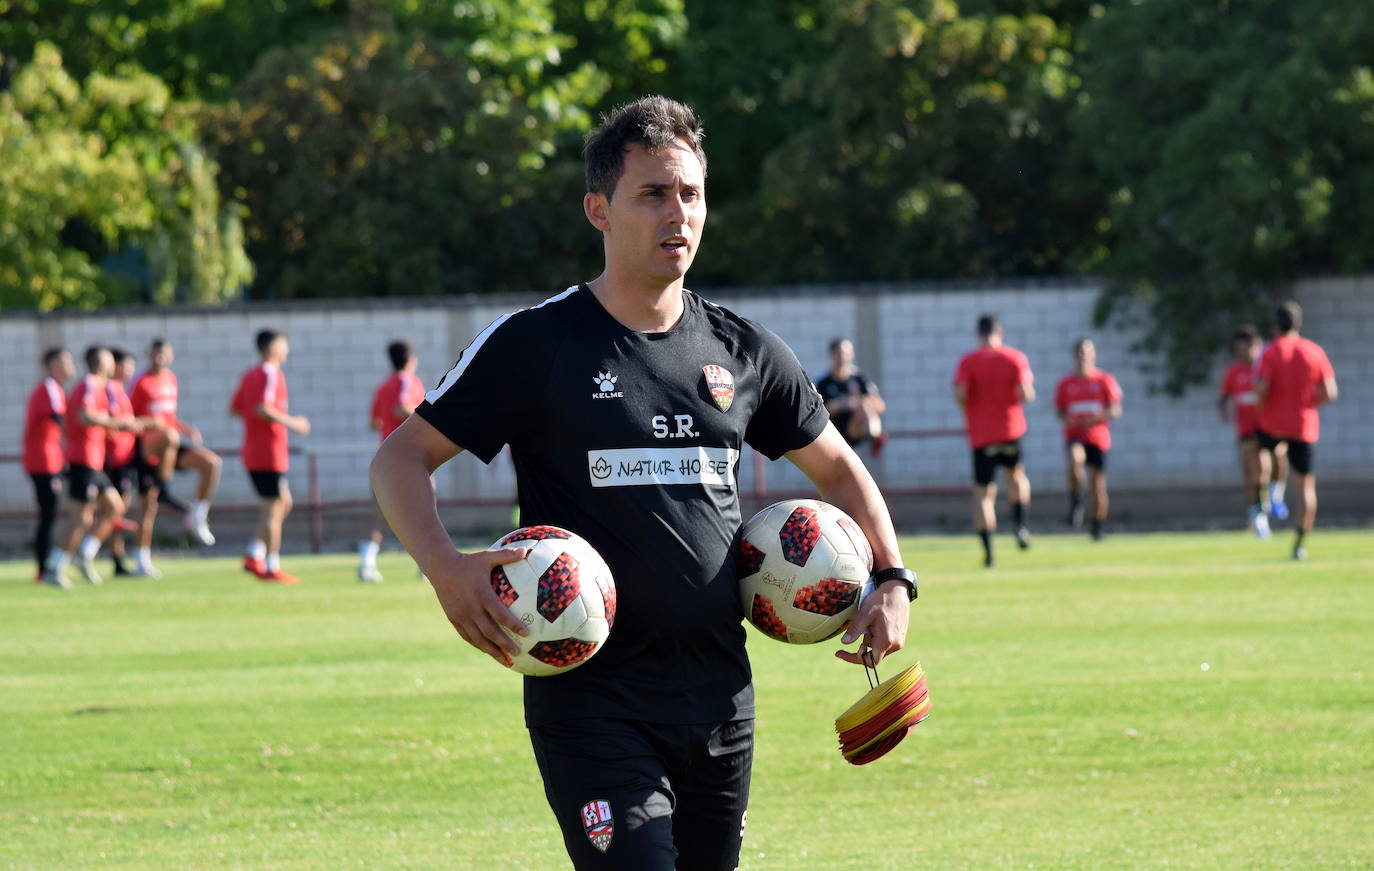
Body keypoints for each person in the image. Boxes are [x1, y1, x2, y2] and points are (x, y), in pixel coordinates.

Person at [370, 96, 915, 871]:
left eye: (690, 194)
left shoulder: (743, 349)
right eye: (653, 194)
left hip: (721, 696)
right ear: (599, 209)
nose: (678, 213)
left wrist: (892, 577)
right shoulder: (539, 343)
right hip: (593, 699)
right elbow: (399, 458)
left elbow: (839, 469)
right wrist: (446, 571)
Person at [43, 346, 144, 588]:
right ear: (102, 363)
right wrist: (116, 423)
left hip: (94, 462)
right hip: (83, 461)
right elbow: (83, 415)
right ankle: (55, 566)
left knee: (115, 507)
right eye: (109, 360)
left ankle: (85, 553)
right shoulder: (89, 384)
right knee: (80, 519)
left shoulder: (101, 388)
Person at [1254, 301, 1337, 561]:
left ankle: (1266, 498)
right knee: (1305, 488)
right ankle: (1300, 544)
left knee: (1257, 454)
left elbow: (1262, 389)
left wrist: (1260, 399)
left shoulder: (1270, 351)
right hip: (1304, 426)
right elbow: (1330, 392)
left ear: (1275, 326)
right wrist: (1307, 404)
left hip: (1272, 423)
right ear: (1298, 324)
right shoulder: (1314, 351)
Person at [952, 314, 1035, 567]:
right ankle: (1020, 526)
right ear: (1000, 332)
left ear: (979, 334)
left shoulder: (968, 361)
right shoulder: (1015, 358)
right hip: (1010, 430)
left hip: (982, 435)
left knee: (983, 494)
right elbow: (1026, 394)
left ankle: (988, 553)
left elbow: (961, 395)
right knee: (1016, 476)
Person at [230, 329, 311, 584]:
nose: (287, 350)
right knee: (273, 508)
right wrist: (294, 423)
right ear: (272, 347)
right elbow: (262, 408)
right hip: (268, 452)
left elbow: (235, 408)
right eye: (284, 345)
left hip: (255, 450)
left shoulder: (250, 374)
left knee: (282, 502)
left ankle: (254, 553)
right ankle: (271, 565)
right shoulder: (270, 373)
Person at [130, 337, 223, 558]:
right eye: (156, 353)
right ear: (149, 354)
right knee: (147, 508)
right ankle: (164, 489)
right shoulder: (140, 382)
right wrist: (154, 427)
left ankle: (197, 515)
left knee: (211, 463)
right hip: (148, 448)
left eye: (164, 353)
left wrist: (186, 429)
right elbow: (130, 418)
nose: (160, 358)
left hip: (169, 446)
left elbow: (167, 417)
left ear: (171, 356)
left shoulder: (170, 379)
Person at [358, 340, 427, 583]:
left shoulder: (383, 387)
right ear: (411, 360)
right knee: (425, 513)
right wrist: (426, 422)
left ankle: (366, 562)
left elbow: (374, 422)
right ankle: (427, 566)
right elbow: (401, 407)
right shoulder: (408, 381)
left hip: (385, 459)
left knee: (380, 513)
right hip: (410, 460)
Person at [1217, 325, 1289, 539]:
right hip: (1247, 430)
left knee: (1277, 459)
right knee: (1253, 476)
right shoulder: (1234, 371)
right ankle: (1258, 519)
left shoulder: (1266, 366)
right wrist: (1224, 412)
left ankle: (1276, 496)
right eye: (1240, 350)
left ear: (1257, 346)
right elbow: (1224, 397)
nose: (1244, 354)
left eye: (1248, 349)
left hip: (1270, 425)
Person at [1054, 338, 1122, 541]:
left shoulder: (1104, 380)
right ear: (1074, 355)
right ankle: (1077, 499)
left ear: (1093, 354)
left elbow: (1116, 408)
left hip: (1097, 437)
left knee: (1098, 485)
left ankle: (1097, 527)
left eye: (1087, 352)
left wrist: (1096, 418)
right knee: (1075, 459)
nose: (1083, 356)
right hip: (1075, 434)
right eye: (1079, 352)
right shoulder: (1066, 383)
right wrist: (1068, 418)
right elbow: (1060, 410)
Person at [23, 347, 75, 583]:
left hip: (51, 460)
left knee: (51, 515)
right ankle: (44, 570)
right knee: (48, 517)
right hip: (44, 462)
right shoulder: (50, 389)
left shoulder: (55, 390)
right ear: (54, 364)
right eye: (65, 361)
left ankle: (47, 568)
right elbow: (62, 422)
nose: (70, 364)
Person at [104, 348, 144, 575]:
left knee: (119, 511)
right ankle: (109, 556)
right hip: (114, 459)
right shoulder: (108, 389)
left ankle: (117, 558)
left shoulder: (120, 389)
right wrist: (131, 424)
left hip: (126, 457)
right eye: (126, 365)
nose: (130, 370)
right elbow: (112, 420)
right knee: (113, 511)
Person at [814, 337, 887, 457]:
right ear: (832, 355)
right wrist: (844, 403)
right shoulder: (823, 382)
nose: (843, 357)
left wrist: (860, 401)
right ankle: (875, 437)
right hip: (835, 433)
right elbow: (818, 412)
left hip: (856, 429)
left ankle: (875, 437)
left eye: (847, 353)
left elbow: (880, 405)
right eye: (840, 353)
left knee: (864, 404)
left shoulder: (859, 378)